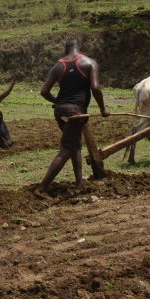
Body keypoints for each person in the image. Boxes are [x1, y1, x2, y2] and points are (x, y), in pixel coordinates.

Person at [35, 37, 110, 198]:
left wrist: (58, 102)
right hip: (76, 113)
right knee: (67, 148)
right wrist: (103, 109)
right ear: (81, 48)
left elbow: (44, 92)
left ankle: (79, 184)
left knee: (75, 145)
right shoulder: (89, 63)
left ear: (66, 49)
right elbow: (95, 88)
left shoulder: (58, 66)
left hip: (60, 111)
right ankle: (42, 188)